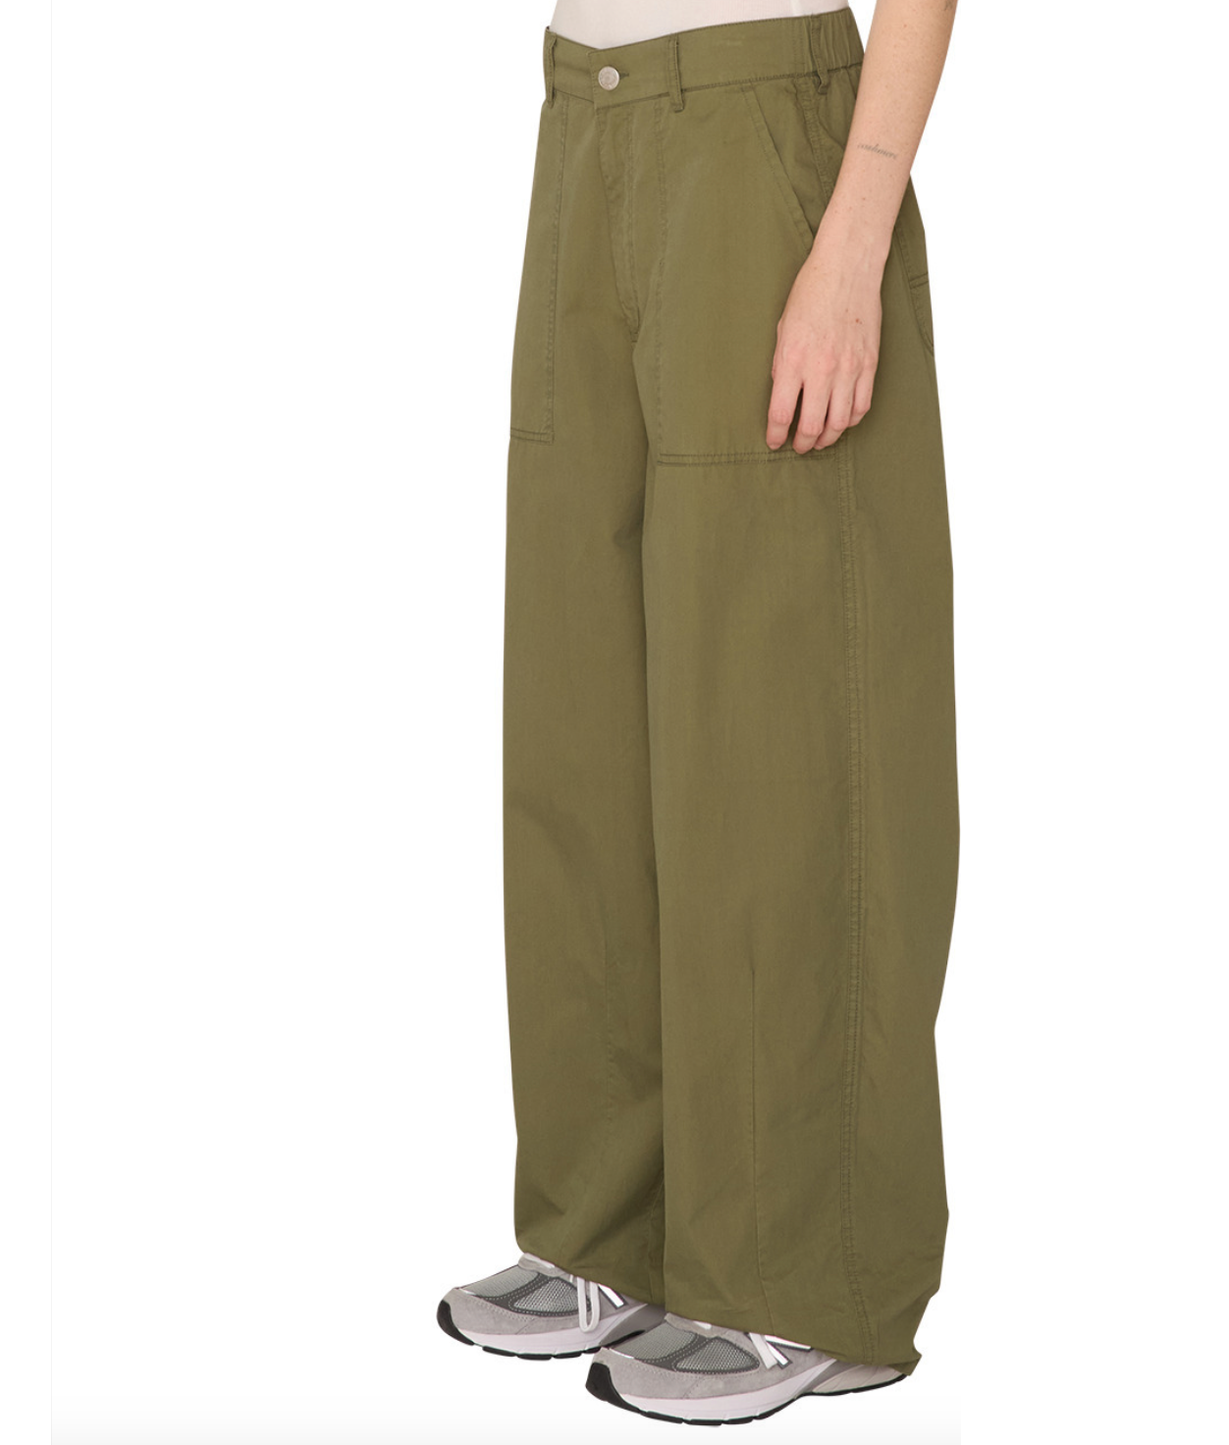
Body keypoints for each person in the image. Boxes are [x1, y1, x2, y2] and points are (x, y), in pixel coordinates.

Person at [438, 0, 960, 1426]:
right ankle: (610, 1230)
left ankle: (803, 1275)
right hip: (585, 122)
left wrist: (852, 240)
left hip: (763, 135)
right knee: (583, 728)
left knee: (780, 731)